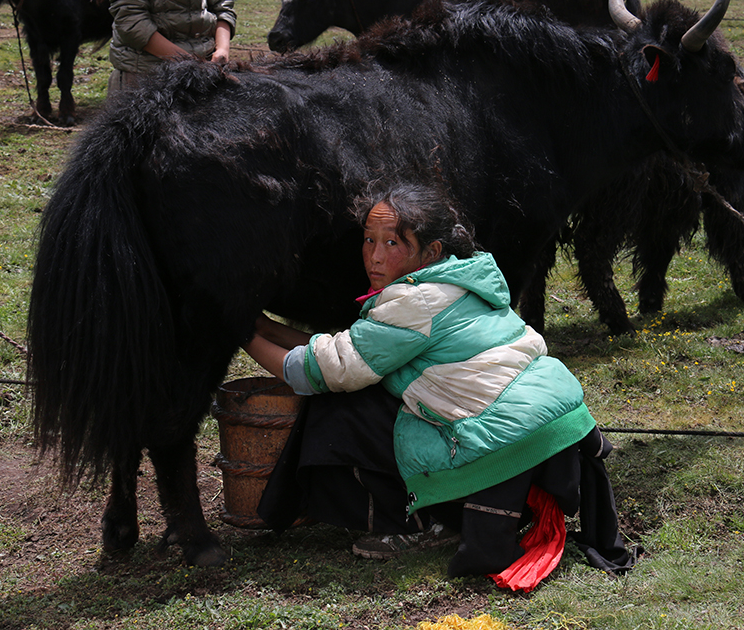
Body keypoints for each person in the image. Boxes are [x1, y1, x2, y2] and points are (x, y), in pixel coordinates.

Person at [244, 183, 634, 589]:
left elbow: (316, 370)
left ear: (430, 252)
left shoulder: (415, 303)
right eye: (368, 240)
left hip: (510, 446)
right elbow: (345, 347)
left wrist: (239, 333)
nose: (375, 256)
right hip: (554, 433)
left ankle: (421, 522)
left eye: (392, 243)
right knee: (364, 385)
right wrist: (263, 326)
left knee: (343, 405)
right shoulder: (463, 280)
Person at [100, 0, 237, 98]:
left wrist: (222, 50)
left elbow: (221, 1)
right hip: (146, 80)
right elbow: (132, 23)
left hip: (202, 76)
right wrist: (193, 67)